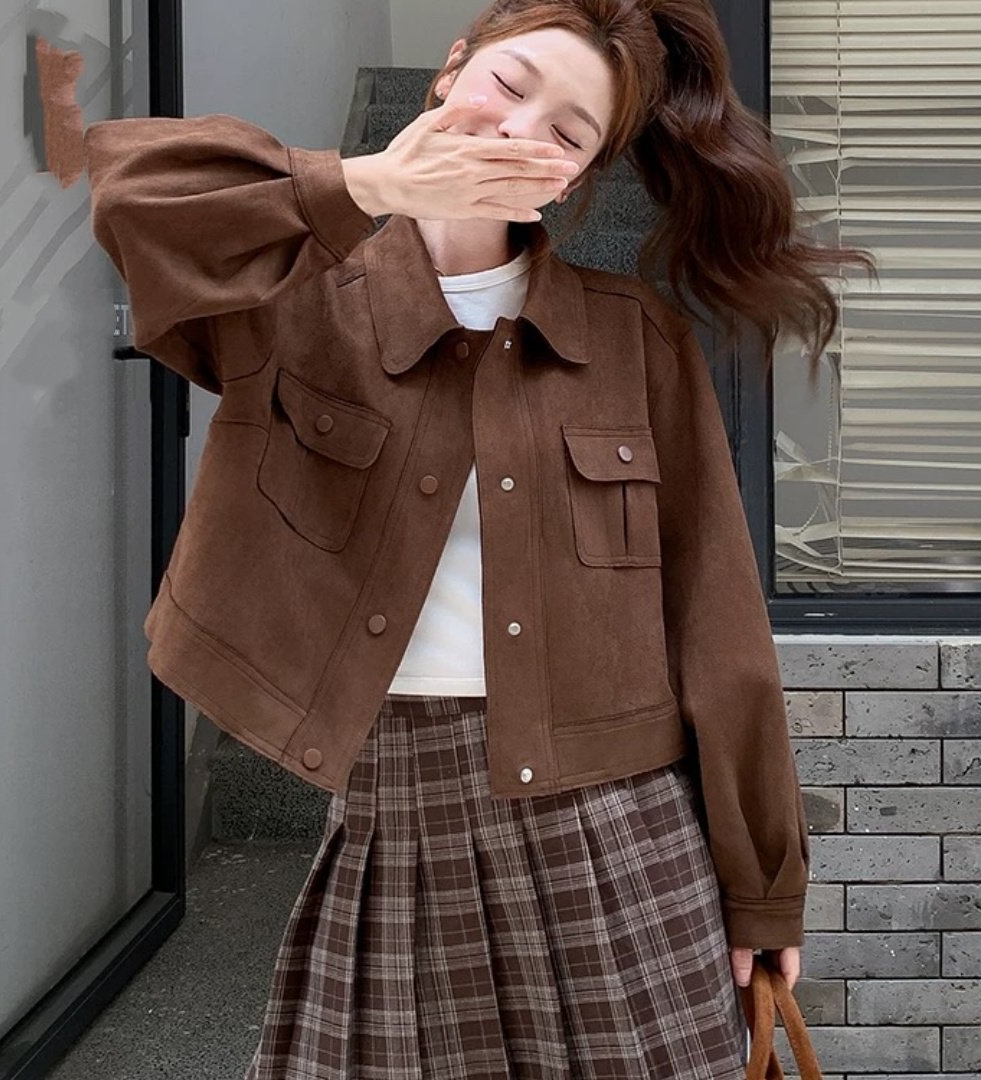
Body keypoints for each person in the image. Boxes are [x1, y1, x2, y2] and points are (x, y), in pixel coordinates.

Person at [83, 2, 870, 1077]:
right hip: (397, 811)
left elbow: (719, 626)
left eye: (567, 132)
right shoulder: (294, 305)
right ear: (450, 71)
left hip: (620, 829)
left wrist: (764, 885)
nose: (519, 132)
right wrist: (372, 185)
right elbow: (131, 195)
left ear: (576, 176)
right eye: (509, 84)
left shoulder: (635, 340)